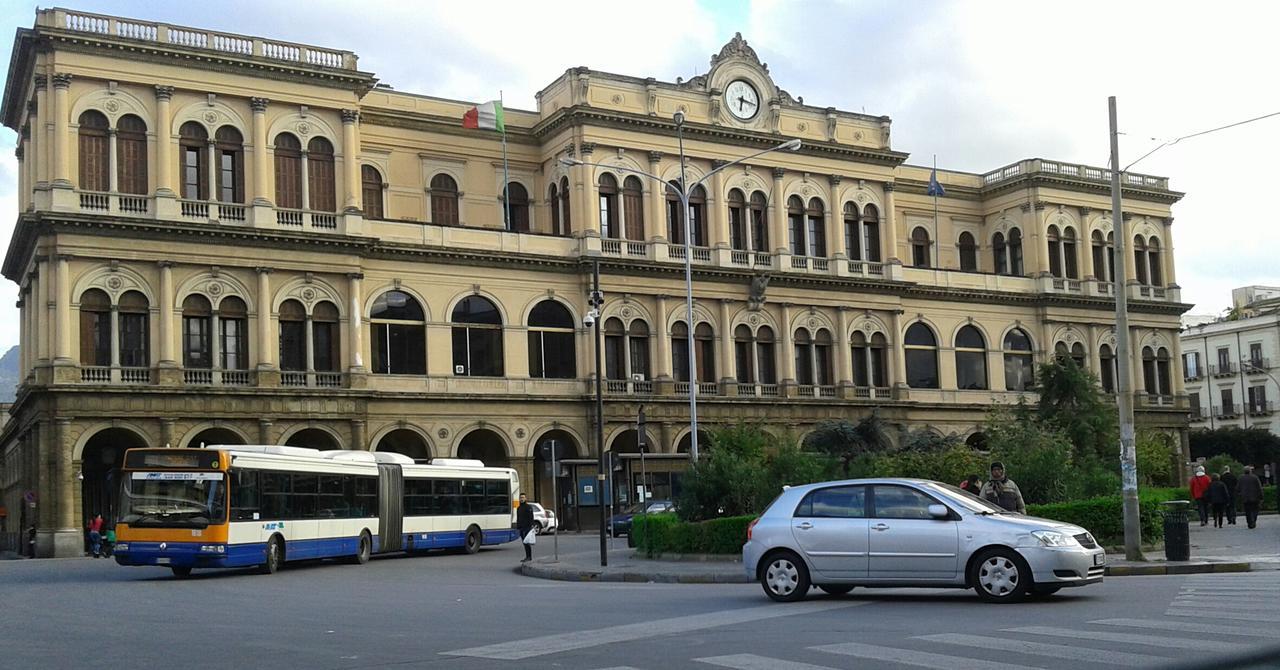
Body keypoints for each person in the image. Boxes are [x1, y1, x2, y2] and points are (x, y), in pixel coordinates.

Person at [1237, 465, 1264, 529]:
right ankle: (1253, 520)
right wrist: (1261, 497)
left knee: (1247, 511)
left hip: (1245, 497)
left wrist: (1240, 494)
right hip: (1255, 497)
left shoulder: (1241, 478)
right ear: (1250, 471)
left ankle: (1249, 523)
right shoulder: (1255, 477)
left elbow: (1238, 488)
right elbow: (1259, 488)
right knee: (1255, 510)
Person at [516, 493, 535, 563]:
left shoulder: (528, 507)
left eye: (523, 497)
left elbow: (531, 517)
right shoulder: (519, 508)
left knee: (527, 543)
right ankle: (527, 556)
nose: (521, 499)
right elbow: (518, 518)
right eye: (520, 497)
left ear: (525, 498)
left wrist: (531, 526)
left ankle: (529, 557)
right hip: (521, 528)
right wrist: (518, 527)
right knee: (524, 543)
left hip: (527, 527)